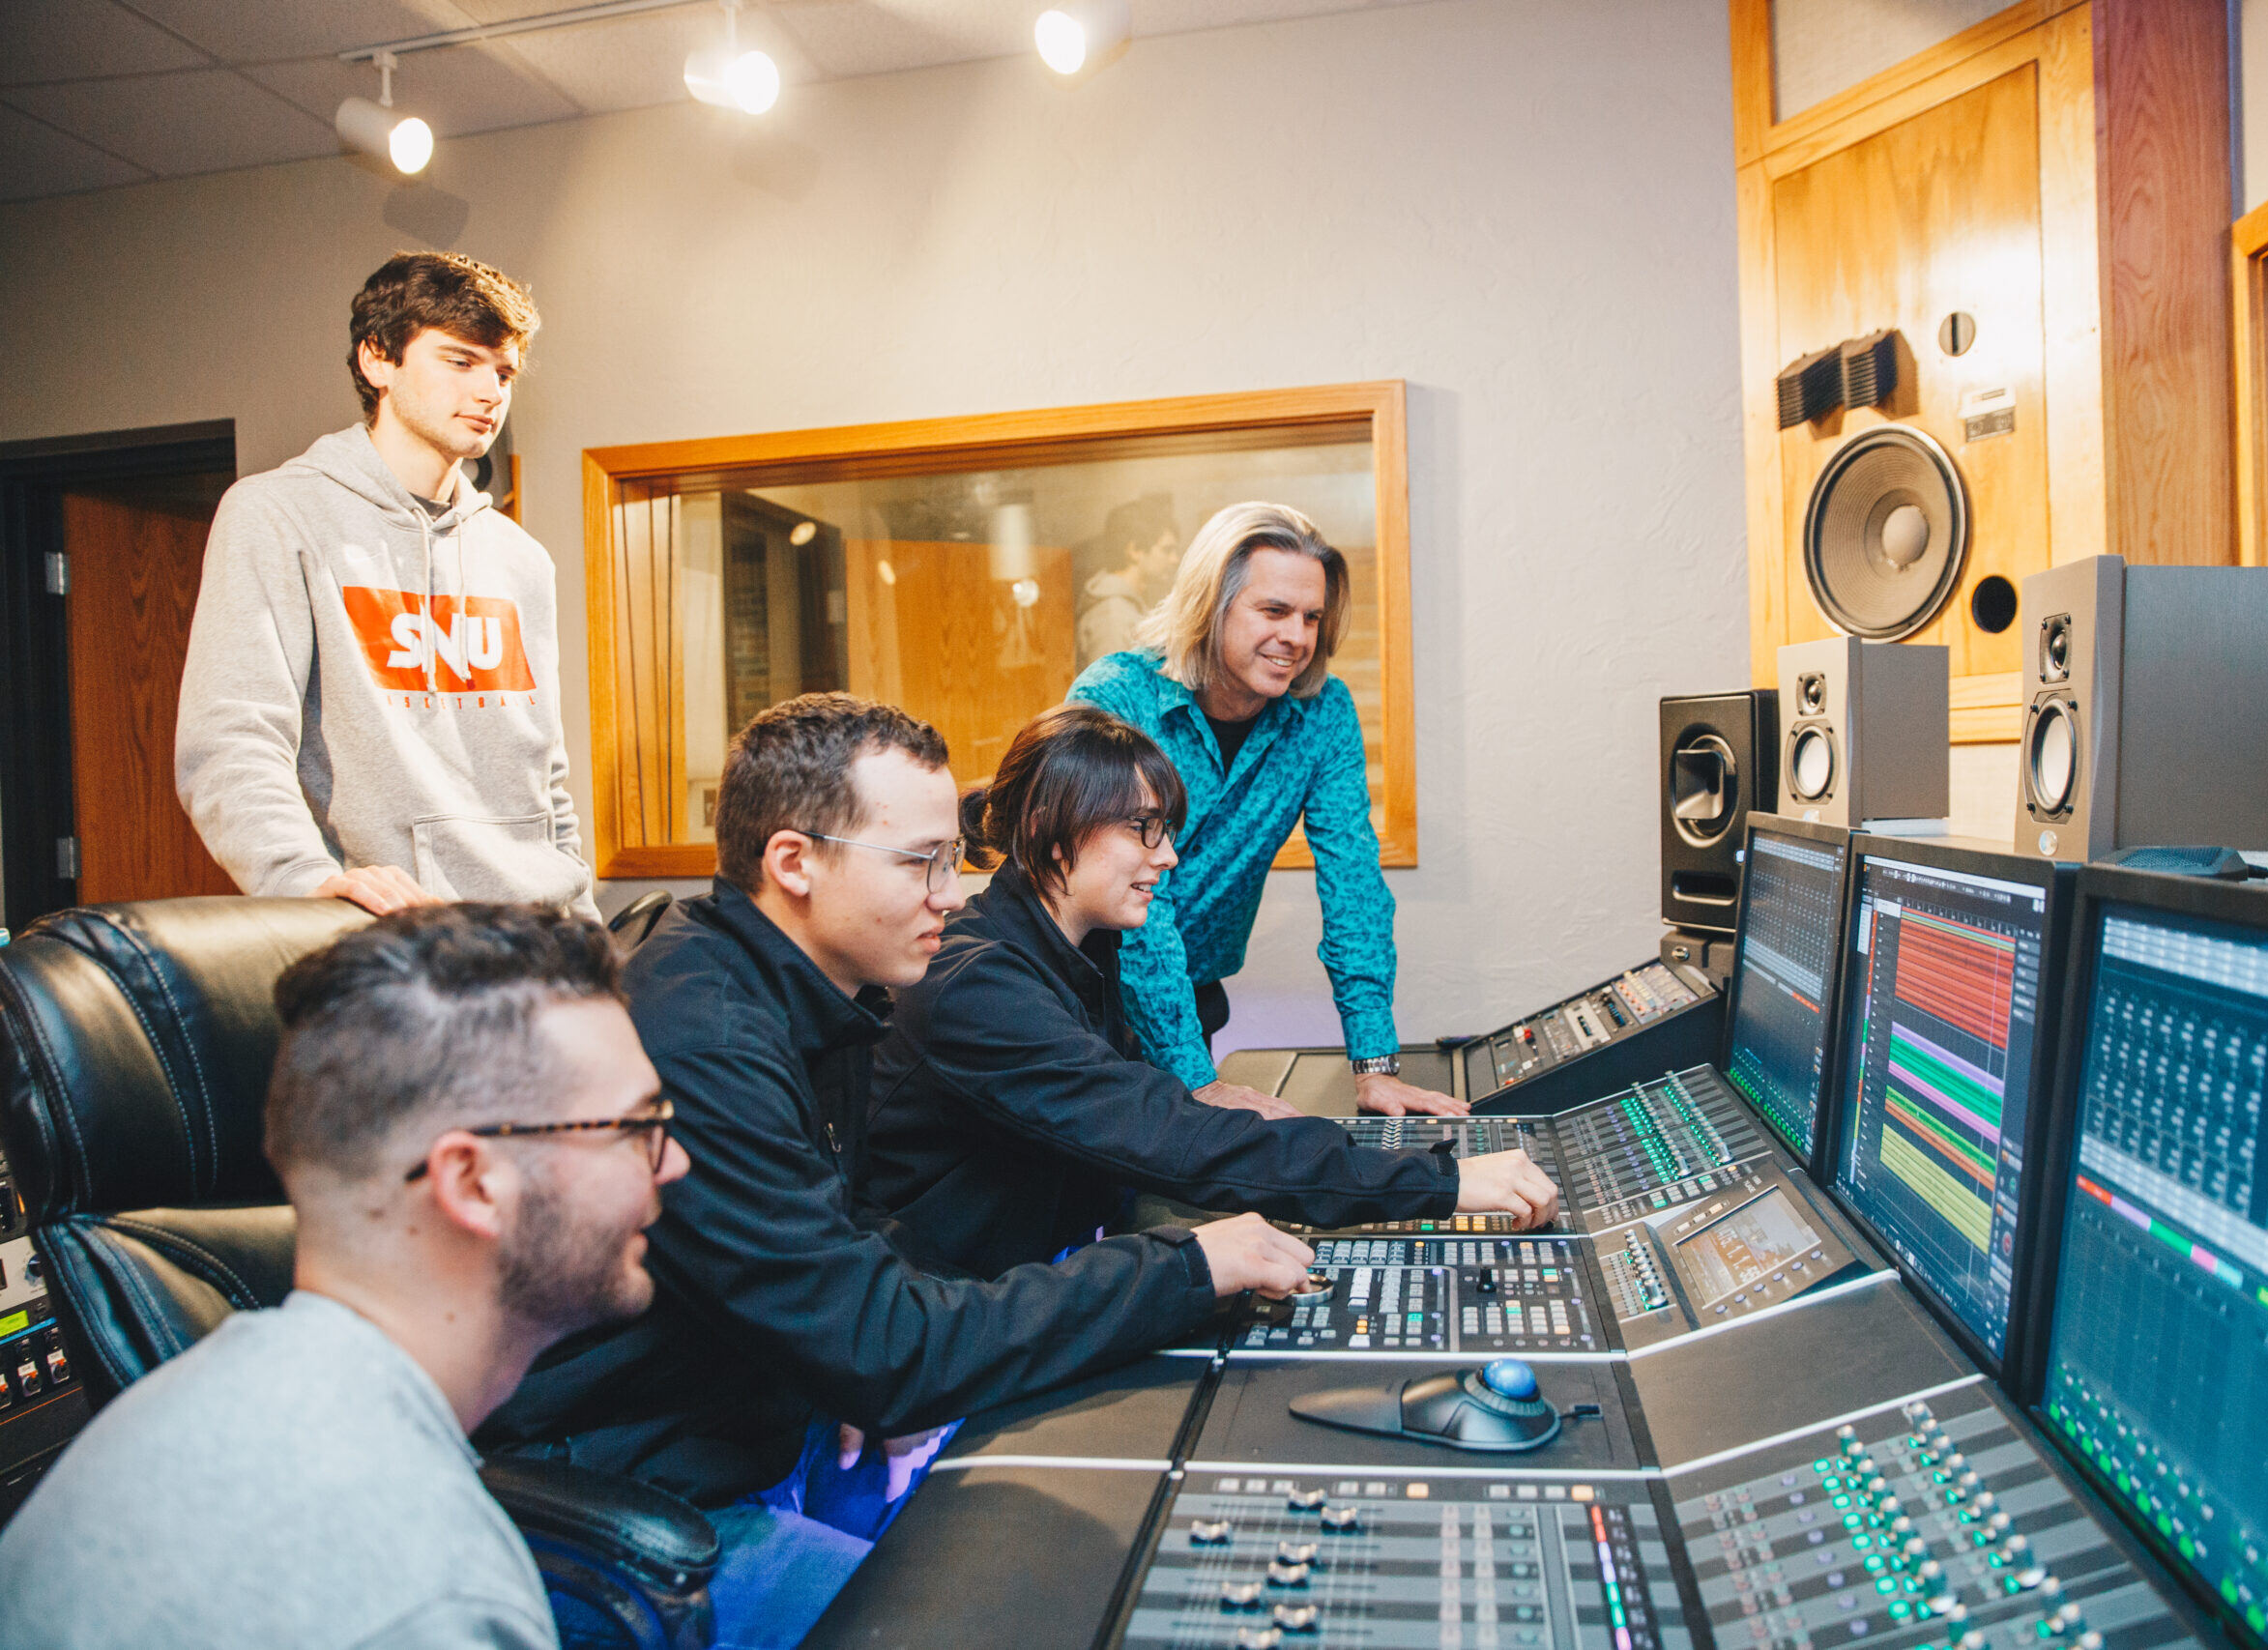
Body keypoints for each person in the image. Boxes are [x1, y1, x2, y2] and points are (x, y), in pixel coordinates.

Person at [480, 692, 1313, 1649]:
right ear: (793, 862)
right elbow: (886, 1353)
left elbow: (850, 1239)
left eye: (948, 861)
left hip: (767, 1424)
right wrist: (1187, 1270)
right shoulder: (700, 1035)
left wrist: (854, 1346)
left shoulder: (816, 990)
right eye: (918, 864)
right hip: (638, 1506)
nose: (950, 894)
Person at [0, 904, 688, 1650]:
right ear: (473, 1181)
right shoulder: (427, 1593)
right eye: (636, 1128)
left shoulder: (181, 1405)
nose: (674, 1161)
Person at [866, 705, 1559, 1279]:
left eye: (1165, 828)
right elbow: (1169, 1136)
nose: (1167, 854)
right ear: (1053, 831)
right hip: (954, 1321)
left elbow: (1151, 1127)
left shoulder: (1082, 946)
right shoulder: (978, 984)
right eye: (1143, 827)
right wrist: (1445, 1183)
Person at [175, 250, 596, 920]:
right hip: (393, 953)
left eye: (504, 371)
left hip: (541, 946)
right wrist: (302, 880)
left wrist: (586, 926)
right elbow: (231, 742)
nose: (490, 391)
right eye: (460, 361)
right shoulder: (277, 515)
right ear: (378, 360)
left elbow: (545, 779)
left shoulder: (520, 558)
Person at [1069, 501, 1463, 1118]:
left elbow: (1353, 885)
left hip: (1191, 997)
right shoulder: (1117, 697)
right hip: (1084, 997)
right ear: (1210, 605)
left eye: (1312, 617)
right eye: (1274, 611)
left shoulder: (1324, 714)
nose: (1297, 637)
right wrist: (1197, 1082)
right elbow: (1137, 897)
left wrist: (1374, 1064)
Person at [1074, 494, 1181, 665]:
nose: (1175, 559)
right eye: (1166, 550)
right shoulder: (1112, 615)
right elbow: (1109, 687)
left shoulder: (1129, 605)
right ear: (1134, 551)